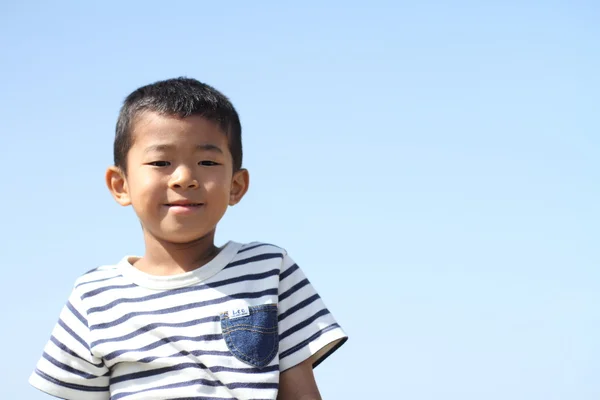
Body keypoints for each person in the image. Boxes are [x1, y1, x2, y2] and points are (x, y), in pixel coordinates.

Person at [29, 77, 347, 400]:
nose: (184, 178)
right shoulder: (94, 298)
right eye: (161, 162)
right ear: (120, 184)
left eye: (207, 162)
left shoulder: (270, 272)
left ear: (236, 185)